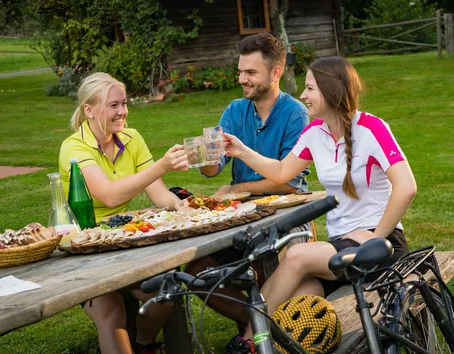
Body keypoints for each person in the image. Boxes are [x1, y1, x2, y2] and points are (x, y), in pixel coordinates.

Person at [221, 56, 417, 353]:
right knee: (298, 298)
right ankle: (261, 342)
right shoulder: (314, 133)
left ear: (331, 90)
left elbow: (406, 187)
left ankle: (247, 344)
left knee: (296, 256)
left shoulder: (372, 128)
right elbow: (281, 172)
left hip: (382, 245)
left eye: (310, 88)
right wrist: (242, 151)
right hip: (342, 248)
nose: (302, 95)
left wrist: (375, 237)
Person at [184, 32, 309, 334]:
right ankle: (256, 322)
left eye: (251, 72)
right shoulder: (235, 110)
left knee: (264, 255)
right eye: (240, 71)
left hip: (286, 214)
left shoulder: (296, 114)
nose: (242, 78)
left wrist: (235, 190)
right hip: (240, 214)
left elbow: (289, 184)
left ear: (275, 72)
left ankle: (259, 334)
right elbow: (214, 170)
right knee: (194, 271)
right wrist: (204, 156)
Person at [59, 72, 188, 354]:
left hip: (126, 241)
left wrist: (183, 207)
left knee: (165, 292)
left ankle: (144, 345)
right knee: (111, 314)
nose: (122, 112)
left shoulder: (132, 138)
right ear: (88, 110)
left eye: (124, 103)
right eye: (113, 105)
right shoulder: (73, 147)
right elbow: (108, 193)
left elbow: (158, 194)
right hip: (86, 248)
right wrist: (161, 166)